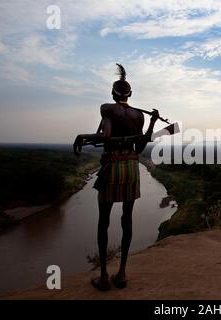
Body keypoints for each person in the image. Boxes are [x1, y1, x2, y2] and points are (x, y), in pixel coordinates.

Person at [76, 64, 158, 291]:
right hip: (132, 166)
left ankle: (103, 277)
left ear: (113, 94)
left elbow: (107, 137)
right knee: (127, 219)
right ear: (130, 95)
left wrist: (82, 136)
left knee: (104, 221)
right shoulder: (139, 115)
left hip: (112, 166)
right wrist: (152, 122)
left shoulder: (107, 109)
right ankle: (121, 274)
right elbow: (140, 146)